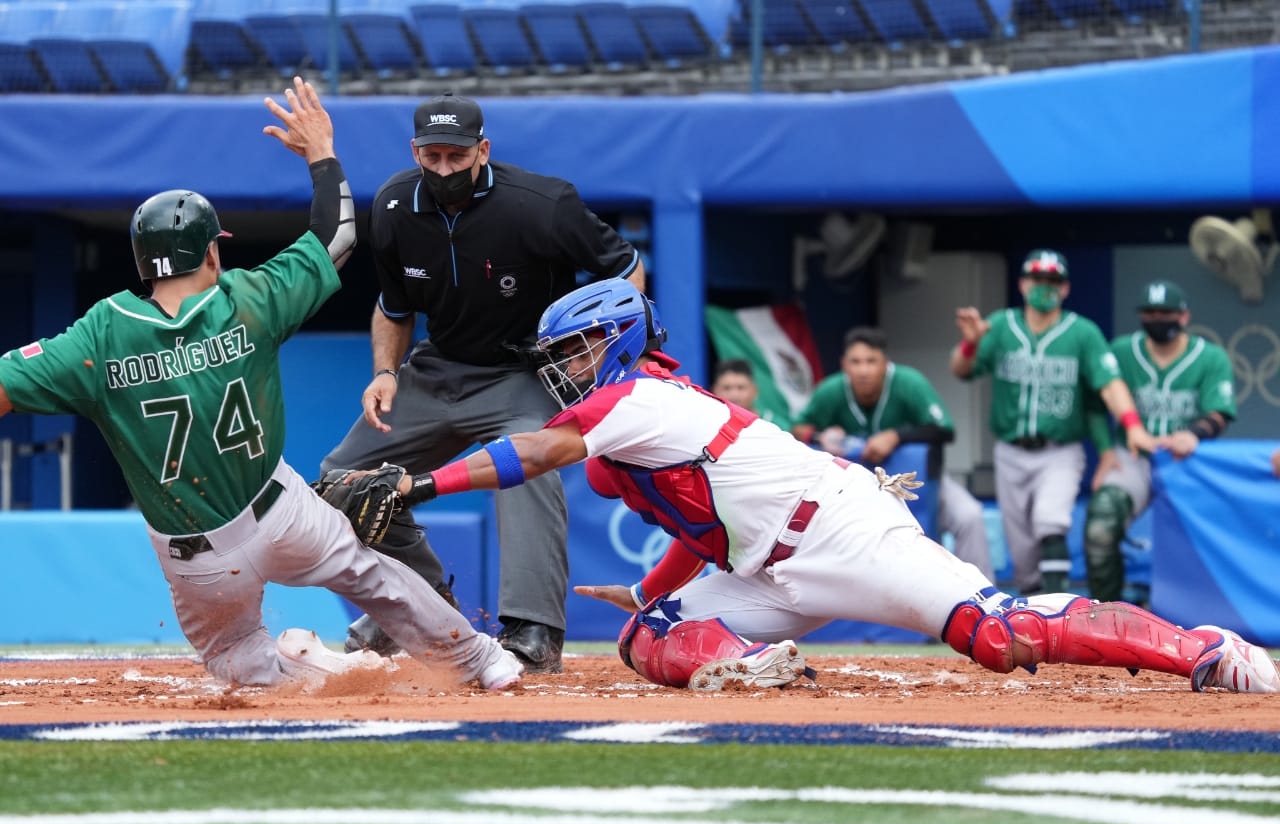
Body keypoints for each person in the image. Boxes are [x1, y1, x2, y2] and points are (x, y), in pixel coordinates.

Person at [351, 277, 1278, 695]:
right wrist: (648, 589)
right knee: (648, 634)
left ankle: (1204, 648)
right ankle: (756, 668)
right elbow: (701, 526)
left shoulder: (638, 397)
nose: (566, 365)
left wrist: (420, 484)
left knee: (1001, 635)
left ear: (621, 342)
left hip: (841, 532)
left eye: (579, 347)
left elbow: (532, 454)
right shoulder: (617, 429)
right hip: (763, 565)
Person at [0, 78, 521, 692]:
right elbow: (339, 235)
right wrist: (321, 152)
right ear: (213, 255)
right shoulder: (247, 298)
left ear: (143, 265)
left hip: (196, 559)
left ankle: (300, 668)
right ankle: (482, 662)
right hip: (282, 513)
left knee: (238, 662)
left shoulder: (98, 338)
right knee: (370, 573)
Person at [323, 92, 645, 674]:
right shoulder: (394, 207)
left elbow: (625, 271)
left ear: (483, 150)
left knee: (526, 464)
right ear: (415, 151)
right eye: (432, 156)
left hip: (524, 371)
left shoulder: (543, 205)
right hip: (438, 367)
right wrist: (384, 373)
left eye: (456, 156)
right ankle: (424, 604)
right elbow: (393, 307)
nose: (444, 169)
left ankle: (532, 634)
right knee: (338, 480)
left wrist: (598, 359)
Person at [951, 248, 1158, 595]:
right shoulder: (1001, 325)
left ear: (1065, 289)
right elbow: (961, 371)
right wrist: (971, 345)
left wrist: (1132, 424)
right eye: (1037, 278)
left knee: (1051, 522)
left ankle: (1057, 617)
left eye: (1053, 280)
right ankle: (1036, 619)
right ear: (1022, 283)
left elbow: (1110, 384)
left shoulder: (1082, 332)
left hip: (1060, 450)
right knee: (1023, 557)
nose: (1044, 286)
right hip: (1010, 451)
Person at [791, 326, 995, 581]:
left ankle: (982, 596)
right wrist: (820, 436)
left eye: (871, 361)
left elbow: (944, 430)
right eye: (856, 362)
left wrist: (896, 436)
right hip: (852, 491)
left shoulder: (908, 382)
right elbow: (796, 428)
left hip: (914, 481)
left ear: (885, 363)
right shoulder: (832, 390)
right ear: (844, 364)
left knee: (969, 516)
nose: (863, 370)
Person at [1084, 280, 1236, 604]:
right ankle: (1105, 617)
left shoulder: (1210, 356)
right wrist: (1106, 451)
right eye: (1150, 312)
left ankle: (1196, 619)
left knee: (1200, 541)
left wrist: (1193, 433)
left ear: (1183, 316)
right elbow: (1097, 403)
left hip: (1187, 461)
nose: (1157, 318)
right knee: (1101, 525)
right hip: (1134, 454)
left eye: (1165, 312)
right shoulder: (1123, 350)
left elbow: (1221, 412)